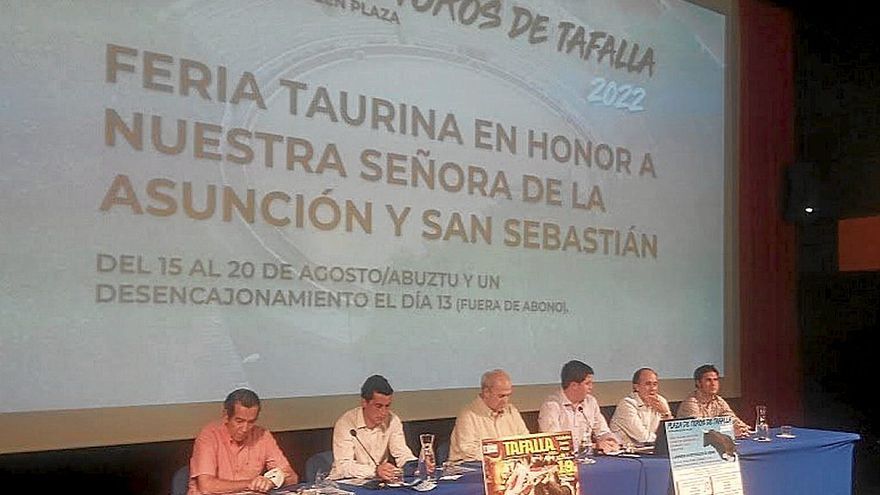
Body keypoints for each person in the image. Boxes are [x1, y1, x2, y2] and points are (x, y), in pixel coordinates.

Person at [188, 388, 297, 495]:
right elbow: (207, 486)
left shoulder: (263, 436)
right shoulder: (209, 435)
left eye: (251, 422)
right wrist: (251, 483)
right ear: (226, 415)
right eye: (239, 421)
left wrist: (272, 481)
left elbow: (292, 477)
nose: (245, 429)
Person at [328, 375, 417, 481]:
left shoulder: (392, 419)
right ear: (364, 402)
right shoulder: (346, 423)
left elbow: (402, 453)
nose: (384, 413)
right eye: (378, 406)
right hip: (345, 483)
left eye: (387, 406)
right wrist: (375, 471)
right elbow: (343, 466)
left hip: (377, 482)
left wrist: (417, 466)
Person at [538, 360, 620, 453]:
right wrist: (595, 446)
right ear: (574, 385)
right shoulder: (551, 406)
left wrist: (609, 441)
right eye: (587, 383)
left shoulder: (590, 402)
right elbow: (554, 442)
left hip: (588, 458)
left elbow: (603, 431)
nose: (591, 387)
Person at [448, 369, 530, 462]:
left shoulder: (512, 411)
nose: (506, 400)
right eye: (501, 396)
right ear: (486, 392)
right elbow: (468, 451)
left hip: (507, 467)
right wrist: (502, 453)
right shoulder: (468, 415)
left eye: (508, 395)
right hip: (472, 469)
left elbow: (525, 441)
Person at [676, 364, 750, 437]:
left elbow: (731, 418)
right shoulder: (690, 403)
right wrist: (729, 431)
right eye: (708, 380)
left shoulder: (718, 400)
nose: (713, 384)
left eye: (715, 380)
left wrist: (742, 427)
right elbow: (699, 430)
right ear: (698, 383)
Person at [610, 368, 674, 444]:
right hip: (625, 452)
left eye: (655, 384)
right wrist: (665, 440)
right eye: (648, 384)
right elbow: (643, 438)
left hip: (650, 449)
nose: (653, 388)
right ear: (636, 387)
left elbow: (672, 434)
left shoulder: (661, 401)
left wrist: (665, 413)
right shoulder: (626, 405)